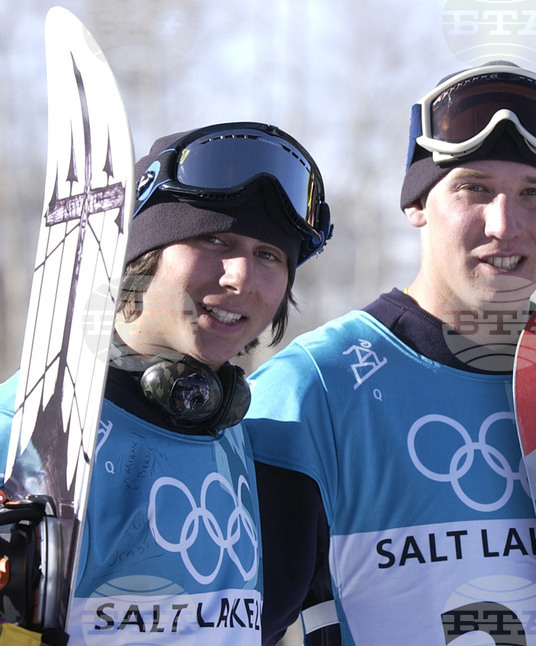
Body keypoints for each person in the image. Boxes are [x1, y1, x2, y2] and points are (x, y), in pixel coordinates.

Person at [244, 61, 536, 645]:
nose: (504, 225)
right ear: (418, 206)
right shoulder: (314, 388)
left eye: (534, 193)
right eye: (473, 188)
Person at [0, 121, 332, 644]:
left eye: (269, 255)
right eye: (214, 238)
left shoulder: (253, 453)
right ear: (142, 256)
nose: (240, 278)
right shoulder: (25, 435)